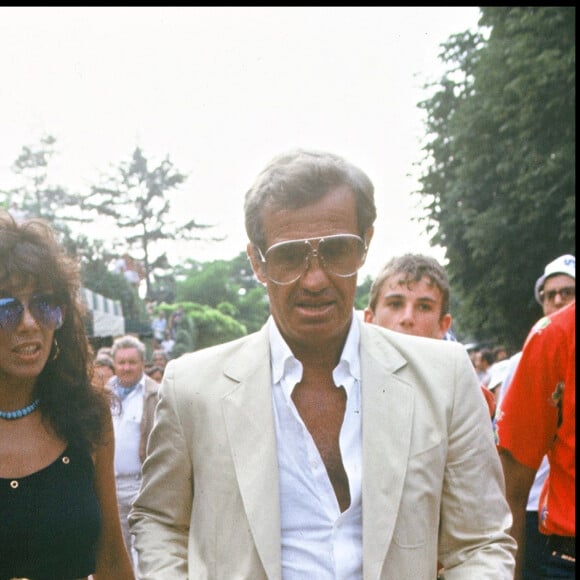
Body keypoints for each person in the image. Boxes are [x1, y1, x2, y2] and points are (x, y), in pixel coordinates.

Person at [130, 148, 515, 578]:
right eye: (290, 256)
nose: (314, 279)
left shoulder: (443, 376)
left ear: (365, 246)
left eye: (335, 251)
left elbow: (480, 542)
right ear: (258, 261)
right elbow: (160, 521)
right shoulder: (193, 387)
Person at [0, 212, 134, 579]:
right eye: (6, 308)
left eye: (44, 304)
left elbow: (111, 558)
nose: (29, 323)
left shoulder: (87, 415)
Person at [494, 253, 575, 579]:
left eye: (566, 292)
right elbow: (511, 486)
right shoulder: (552, 338)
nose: (556, 300)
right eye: (549, 294)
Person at [363, 253, 496, 418]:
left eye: (424, 307)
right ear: (369, 319)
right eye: (395, 304)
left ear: (443, 325)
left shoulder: (466, 400)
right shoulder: (343, 390)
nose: (407, 318)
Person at [108, 334, 159, 573]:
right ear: (114, 365)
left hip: (143, 486)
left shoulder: (155, 394)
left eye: (132, 362)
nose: (126, 368)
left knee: (149, 551)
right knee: (118, 553)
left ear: (142, 364)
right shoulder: (103, 393)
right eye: (121, 362)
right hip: (110, 486)